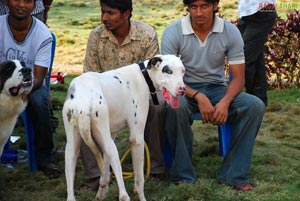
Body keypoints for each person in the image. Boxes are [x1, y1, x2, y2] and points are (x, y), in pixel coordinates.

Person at [161, 0, 265, 191]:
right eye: (193, 7)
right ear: (188, 8)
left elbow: (238, 77)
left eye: (204, 6)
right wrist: (199, 97)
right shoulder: (173, 32)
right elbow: (166, 77)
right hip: (183, 88)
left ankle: (233, 175)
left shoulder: (230, 31)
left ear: (215, 5)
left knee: (254, 105)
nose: (199, 12)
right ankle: (183, 176)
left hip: (218, 89)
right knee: (175, 107)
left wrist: (225, 102)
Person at [80, 0, 165, 191]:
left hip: (141, 96)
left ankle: (156, 168)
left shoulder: (146, 34)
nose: (104, 18)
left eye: (110, 13)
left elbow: (154, 78)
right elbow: (89, 76)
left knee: (159, 106)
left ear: (126, 14)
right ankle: (96, 175)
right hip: (105, 96)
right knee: (83, 108)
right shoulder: (96, 36)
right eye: (103, 12)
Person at [0, 0, 61, 179]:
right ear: (6, 2)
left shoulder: (42, 34)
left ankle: (44, 158)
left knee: (39, 101)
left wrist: (19, 89)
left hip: (30, 85)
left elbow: (39, 77)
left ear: (35, 5)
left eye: (27, 0)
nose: (21, 5)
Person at [237, 0, 277, 106]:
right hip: (245, 14)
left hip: (262, 12)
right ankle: (259, 100)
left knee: (243, 58)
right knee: (256, 58)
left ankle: (251, 101)